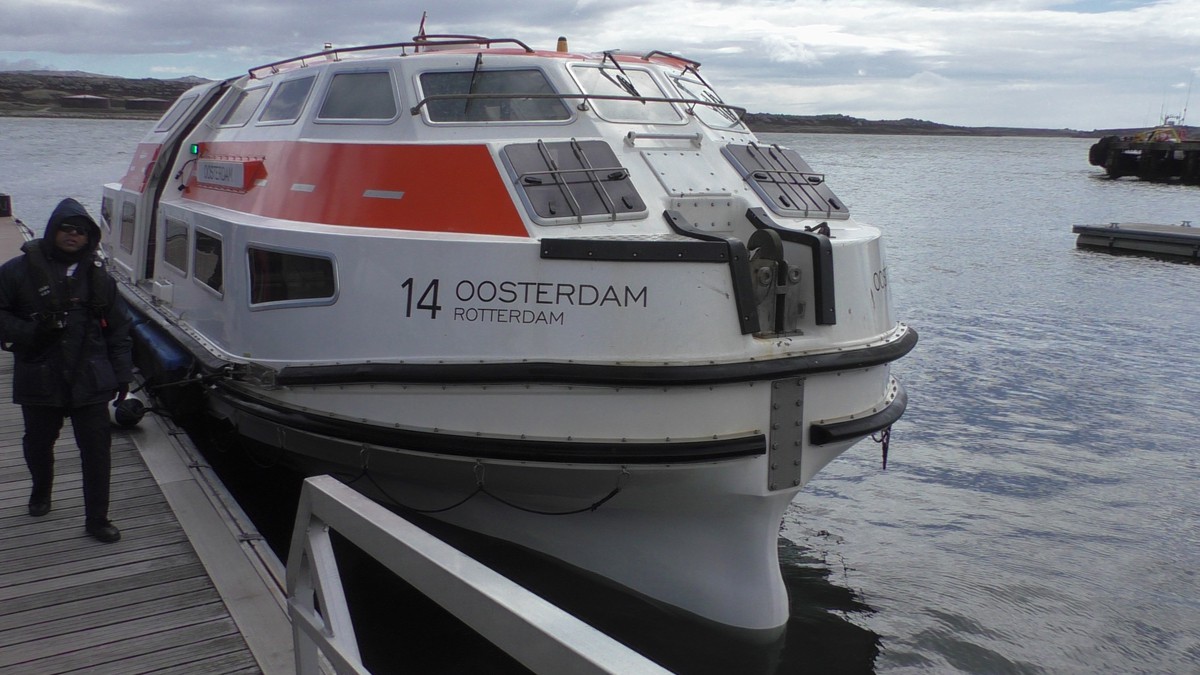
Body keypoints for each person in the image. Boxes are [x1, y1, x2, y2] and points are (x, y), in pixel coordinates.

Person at [0, 198, 133, 543]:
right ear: (52, 230)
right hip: (40, 376)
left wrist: (122, 374)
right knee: (38, 442)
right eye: (66, 228)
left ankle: (97, 519)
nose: (73, 235)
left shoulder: (101, 279)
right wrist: (32, 331)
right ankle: (41, 489)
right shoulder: (15, 272)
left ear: (90, 238)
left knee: (97, 451)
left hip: (91, 379)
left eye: (81, 231)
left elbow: (119, 330)